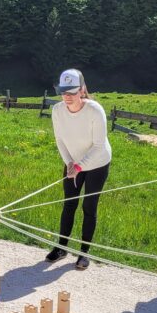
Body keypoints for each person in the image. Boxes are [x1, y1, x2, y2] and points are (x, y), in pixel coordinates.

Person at [46, 69, 112, 271]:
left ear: (82, 90)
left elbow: (99, 145)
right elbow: (59, 139)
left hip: (97, 163)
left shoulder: (95, 110)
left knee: (89, 207)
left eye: (72, 92)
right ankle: (61, 247)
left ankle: (84, 253)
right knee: (69, 205)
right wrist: (69, 163)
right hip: (73, 163)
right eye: (64, 92)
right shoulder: (57, 110)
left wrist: (79, 166)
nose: (67, 97)